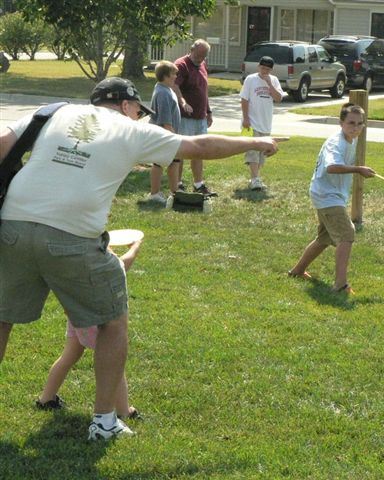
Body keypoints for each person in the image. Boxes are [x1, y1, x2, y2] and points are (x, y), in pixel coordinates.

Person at [0, 77, 279, 440]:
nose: (138, 116)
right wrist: (257, 141)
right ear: (128, 105)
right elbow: (199, 145)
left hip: (13, 224)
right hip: (73, 232)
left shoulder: (53, 112)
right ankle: (104, 423)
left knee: (2, 318)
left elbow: (3, 144)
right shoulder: (133, 132)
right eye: (138, 110)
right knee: (112, 323)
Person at [36, 240, 143, 421]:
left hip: (77, 317)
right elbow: (124, 263)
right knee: (114, 364)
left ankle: (46, 398)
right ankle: (124, 411)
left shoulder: (72, 263)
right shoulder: (102, 266)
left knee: (68, 356)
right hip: (99, 321)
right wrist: (135, 246)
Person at [288, 103, 375, 293]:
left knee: (325, 237)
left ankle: (297, 270)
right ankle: (341, 284)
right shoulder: (337, 142)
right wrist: (358, 169)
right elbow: (332, 167)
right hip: (326, 195)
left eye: (360, 124)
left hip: (329, 194)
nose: (356, 127)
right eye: (351, 123)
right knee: (347, 233)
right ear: (341, 123)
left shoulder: (350, 139)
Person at [173, 39, 216, 196]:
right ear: (191, 50)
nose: (200, 59)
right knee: (182, 151)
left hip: (200, 116)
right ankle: (177, 184)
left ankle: (199, 184)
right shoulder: (181, 65)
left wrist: (208, 111)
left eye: (203, 56)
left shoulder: (202, 64)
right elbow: (174, 85)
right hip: (185, 117)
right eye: (198, 56)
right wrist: (183, 102)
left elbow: (203, 90)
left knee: (199, 151)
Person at [240, 55, 284, 191]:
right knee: (252, 150)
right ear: (258, 66)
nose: (264, 71)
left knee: (262, 152)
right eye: (262, 67)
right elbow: (244, 99)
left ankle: (255, 177)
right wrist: (245, 118)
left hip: (266, 122)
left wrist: (269, 83)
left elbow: (278, 99)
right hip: (251, 122)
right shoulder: (250, 79)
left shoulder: (274, 80)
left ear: (271, 69)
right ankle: (254, 179)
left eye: (267, 69)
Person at [147, 60, 182, 204]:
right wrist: (175, 137)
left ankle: (174, 192)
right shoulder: (162, 93)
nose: (175, 77)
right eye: (173, 74)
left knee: (174, 163)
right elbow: (165, 120)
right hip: (165, 134)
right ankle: (154, 193)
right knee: (159, 164)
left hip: (168, 134)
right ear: (166, 76)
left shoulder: (166, 89)